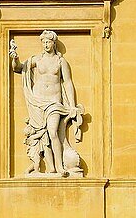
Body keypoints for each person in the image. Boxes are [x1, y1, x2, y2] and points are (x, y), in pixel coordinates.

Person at [9, 30, 84, 176]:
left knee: (52, 131)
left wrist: (73, 105)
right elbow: (18, 68)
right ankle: (51, 167)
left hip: (54, 102)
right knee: (43, 135)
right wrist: (15, 58)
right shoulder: (36, 60)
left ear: (54, 43)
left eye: (48, 42)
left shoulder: (60, 61)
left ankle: (60, 165)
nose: (46, 45)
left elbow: (68, 83)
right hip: (38, 101)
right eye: (43, 42)